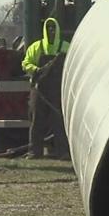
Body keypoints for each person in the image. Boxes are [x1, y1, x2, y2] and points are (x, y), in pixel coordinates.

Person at [21, 17, 70, 159]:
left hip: (57, 90)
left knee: (59, 121)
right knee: (37, 121)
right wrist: (35, 69)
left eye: (53, 28)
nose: (51, 31)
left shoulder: (66, 47)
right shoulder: (36, 47)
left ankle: (62, 152)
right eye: (48, 28)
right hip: (39, 89)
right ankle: (34, 152)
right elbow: (26, 63)